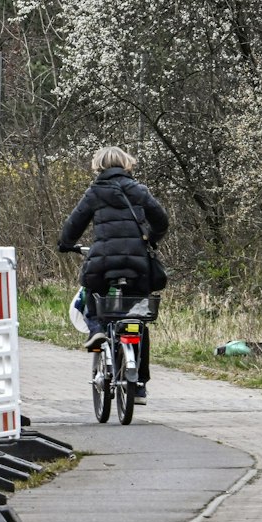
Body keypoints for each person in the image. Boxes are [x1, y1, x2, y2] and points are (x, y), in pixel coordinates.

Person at [58, 145, 168, 372]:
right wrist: (151, 239)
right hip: (138, 264)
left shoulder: (95, 192)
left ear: (98, 166)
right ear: (126, 163)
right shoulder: (139, 190)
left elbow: (74, 224)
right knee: (137, 320)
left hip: (103, 262)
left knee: (90, 290)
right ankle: (139, 384)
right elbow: (161, 221)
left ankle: (97, 330)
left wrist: (66, 244)